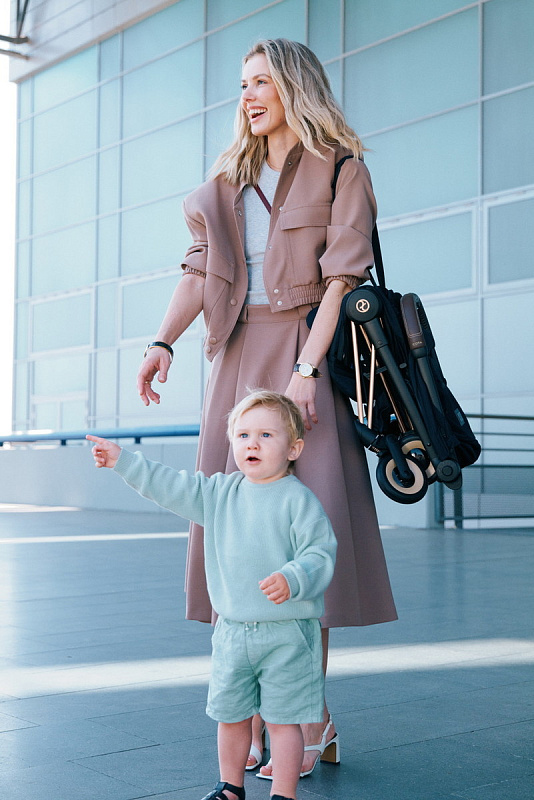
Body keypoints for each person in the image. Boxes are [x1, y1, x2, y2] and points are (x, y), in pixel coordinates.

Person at [136, 38, 397, 777]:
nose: (248, 96)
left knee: (308, 532)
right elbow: (198, 273)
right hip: (235, 358)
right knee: (236, 533)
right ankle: (253, 713)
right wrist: (162, 341)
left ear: (294, 88)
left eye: (261, 82)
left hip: (307, 352)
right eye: (243, 84)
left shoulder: (342, 169)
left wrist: (307, 370)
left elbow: (344, 281)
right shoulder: (225, 182)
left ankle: (306, 716)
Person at [87, 390, 338, 800]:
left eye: (266, 435)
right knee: (230, 714)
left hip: (288, 633)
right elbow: (170, 485)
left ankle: (283, 793)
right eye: (243, 435)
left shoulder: (298, 500)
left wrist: (293, 577)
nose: (252, 443)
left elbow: (320, 552)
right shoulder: (220, 494)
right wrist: (123, 461)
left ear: (294, 449)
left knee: (284, 721)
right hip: (232, 631)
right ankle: (230, 786)